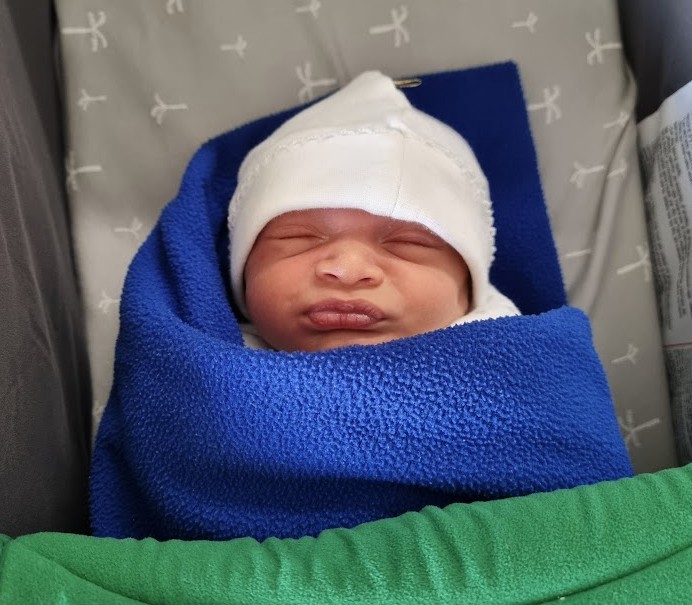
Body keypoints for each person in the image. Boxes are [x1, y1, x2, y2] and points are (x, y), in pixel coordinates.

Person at [228, 71, 519, 351]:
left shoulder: (511, 355)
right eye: (298, 238)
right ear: (244, 271)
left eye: (407, 243)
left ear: (470, 288)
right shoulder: (214, 365)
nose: (348, 270)